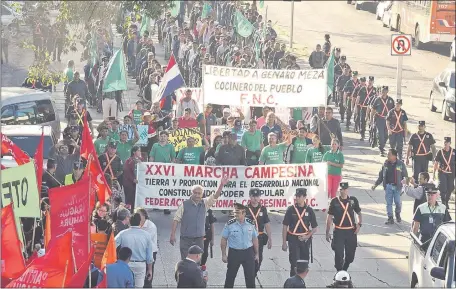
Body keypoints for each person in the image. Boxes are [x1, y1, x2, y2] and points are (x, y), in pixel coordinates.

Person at [171, 177, 229, 260]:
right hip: (186, 239)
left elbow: (215, 196)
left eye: (199, 193)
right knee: (185, 261)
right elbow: (176, 219)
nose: (197, 195)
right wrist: (172, 234)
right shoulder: (184, 205)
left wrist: (221, 185)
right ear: (191, 193)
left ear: (202, 194)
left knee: (197, 263)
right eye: (195, 193)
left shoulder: (205, 203)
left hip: (199, 239)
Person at [326, 182, 362, 272]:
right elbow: (329, 217)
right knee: (339, 254)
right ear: (339, 190)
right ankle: (339, 272)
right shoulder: (334, 201)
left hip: (351, 231)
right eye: (342, 189)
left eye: (346, 189)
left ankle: (344, 269)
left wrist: (359, 224)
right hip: (339, 231)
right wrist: (327, 232)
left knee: (350, 256)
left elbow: (359, 213)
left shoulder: (353, 200)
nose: (344, 191)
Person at [282, 188, 318, 277]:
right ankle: (293, 283)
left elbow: (315, 228)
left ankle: (300, 283)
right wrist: (284, 243)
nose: (297, 198)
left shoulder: (309, 210)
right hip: (293, 239)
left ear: (304, 197)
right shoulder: (291, 210)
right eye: (296, 196)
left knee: (304, 264)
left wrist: (307, 236)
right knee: (294, 264)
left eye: (299, 196)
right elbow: (285, 226)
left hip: (305, 240)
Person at [221, 203, 259, 288]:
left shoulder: (251, 223)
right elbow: (224, 239)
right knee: (230, 277)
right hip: (234, 253)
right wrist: (223, 254)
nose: (235, 214)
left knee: (250, 278)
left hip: (248, 252)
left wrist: (257, 254)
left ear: (244, 213)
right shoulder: (229, 224)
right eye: (235, 212)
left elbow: (255, 239)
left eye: (238, 212)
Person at [115, 213, 154, 288]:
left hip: (125, 264)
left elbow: (112, 246)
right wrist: (150, 269)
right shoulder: (146, 235)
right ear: (140, 222)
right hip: (140, 265)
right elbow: (149, 256)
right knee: (138, 286)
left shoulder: (122, 234)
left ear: (129, 221)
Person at [372, 149, 408, 224]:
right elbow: (381, 176)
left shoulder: (400, 164)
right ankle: (390, 218)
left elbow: (405, 176)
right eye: (388, 154)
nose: (388, 156)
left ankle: (397, 214)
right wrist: (375, 184)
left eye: (389, 154)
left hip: (397, 187)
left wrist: (405, 186)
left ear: (394, 156)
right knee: (389, 203)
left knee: (398, 202)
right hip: (388, 187)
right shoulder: (385, 164)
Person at [246, 189, 272, 276]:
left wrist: (270, 238)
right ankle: (250, 275)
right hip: (248, 238)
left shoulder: (263, 209)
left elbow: (267, 223)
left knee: (259, 258)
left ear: (259, 197)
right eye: (253, 196)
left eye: (257, 196)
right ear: (250, 197)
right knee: (249, 258)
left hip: (259, 237)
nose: (255, 198)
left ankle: (254, 273)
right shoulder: (245, 209)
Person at [136, 208, 158, 288]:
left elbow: (145, 241)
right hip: (139, 252)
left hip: (150, 253)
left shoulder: (151, 226)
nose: (137, 217)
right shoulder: (136, 225)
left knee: (147, 277)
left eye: (139, 215)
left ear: (144, 215)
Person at [369, 86, 395, 156]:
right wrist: (371, 120)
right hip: (379, 119)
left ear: (387, 91)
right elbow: (373, 110)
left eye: (385, 91)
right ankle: (381, 149)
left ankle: (382, 145)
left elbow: (393, 111)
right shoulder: (377, 100)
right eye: (382, 91)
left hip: (387, 120)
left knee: (386, 135)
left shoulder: (391, 100)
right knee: (380, 135)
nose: (383, 92)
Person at [433, 137, 455, 209]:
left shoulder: (454, 151)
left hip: (452, 173)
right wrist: (433, 173)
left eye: (447, 142)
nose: (445, 143)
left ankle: (447, 201)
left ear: (450, 143)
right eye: (445, 142)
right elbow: (436, 163)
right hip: (442, 172)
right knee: (443, 187)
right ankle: (443, 201)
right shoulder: (440, 152)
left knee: (450, 188)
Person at [123, 146, 142, 211]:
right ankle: (128, 213)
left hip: (136, 184)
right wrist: (133, 179)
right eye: (138, 150)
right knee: (129, 199)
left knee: (135, 199)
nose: (140, 152)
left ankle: (134, 212)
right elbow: (126, 171)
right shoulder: (129, 160)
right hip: (129, 183)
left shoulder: (140, 160)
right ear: (134, 152)